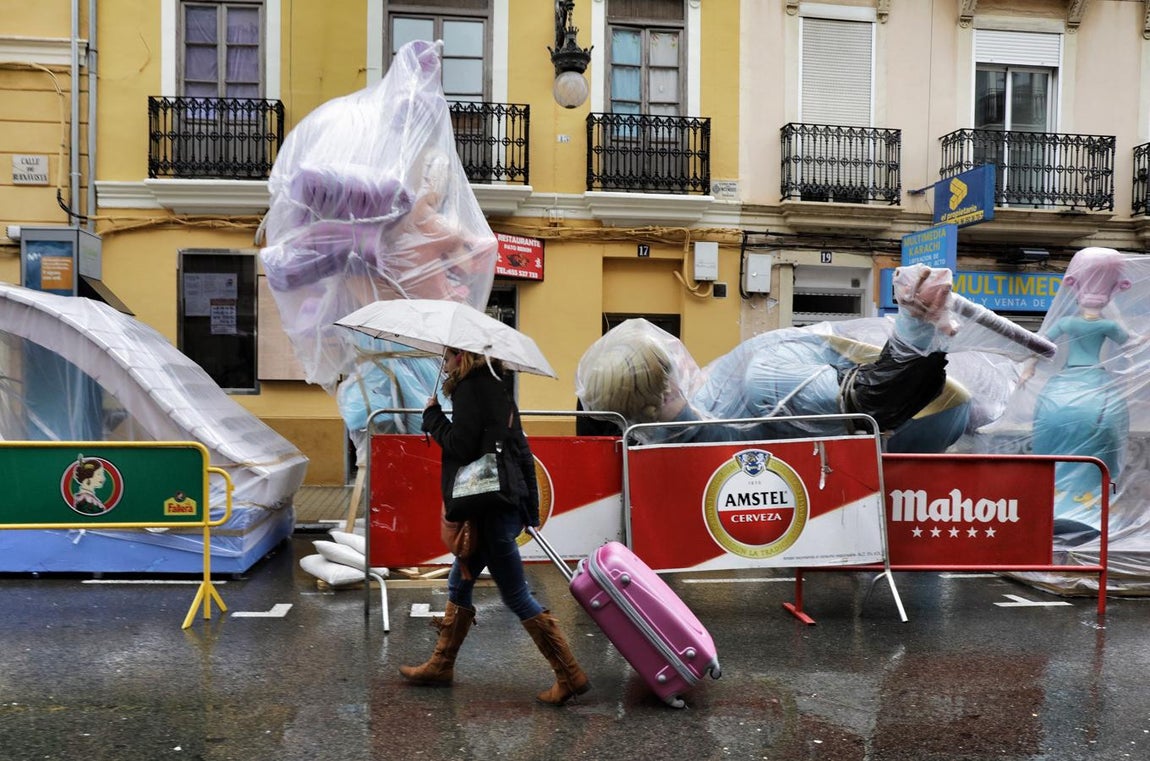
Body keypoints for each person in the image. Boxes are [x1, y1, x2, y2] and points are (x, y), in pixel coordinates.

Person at [399, 347, 590, 706]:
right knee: (460, 580)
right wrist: (529, 511)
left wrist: (433, 417)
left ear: (462, 357)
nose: (443, 363)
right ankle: (441, 665)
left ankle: (569, 674)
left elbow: (462, 445)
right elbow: (521, 451)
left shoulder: (472, 389)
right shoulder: (500, 389)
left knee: (515, 593)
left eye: (447, 356)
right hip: (500, 504)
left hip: (485, 507)